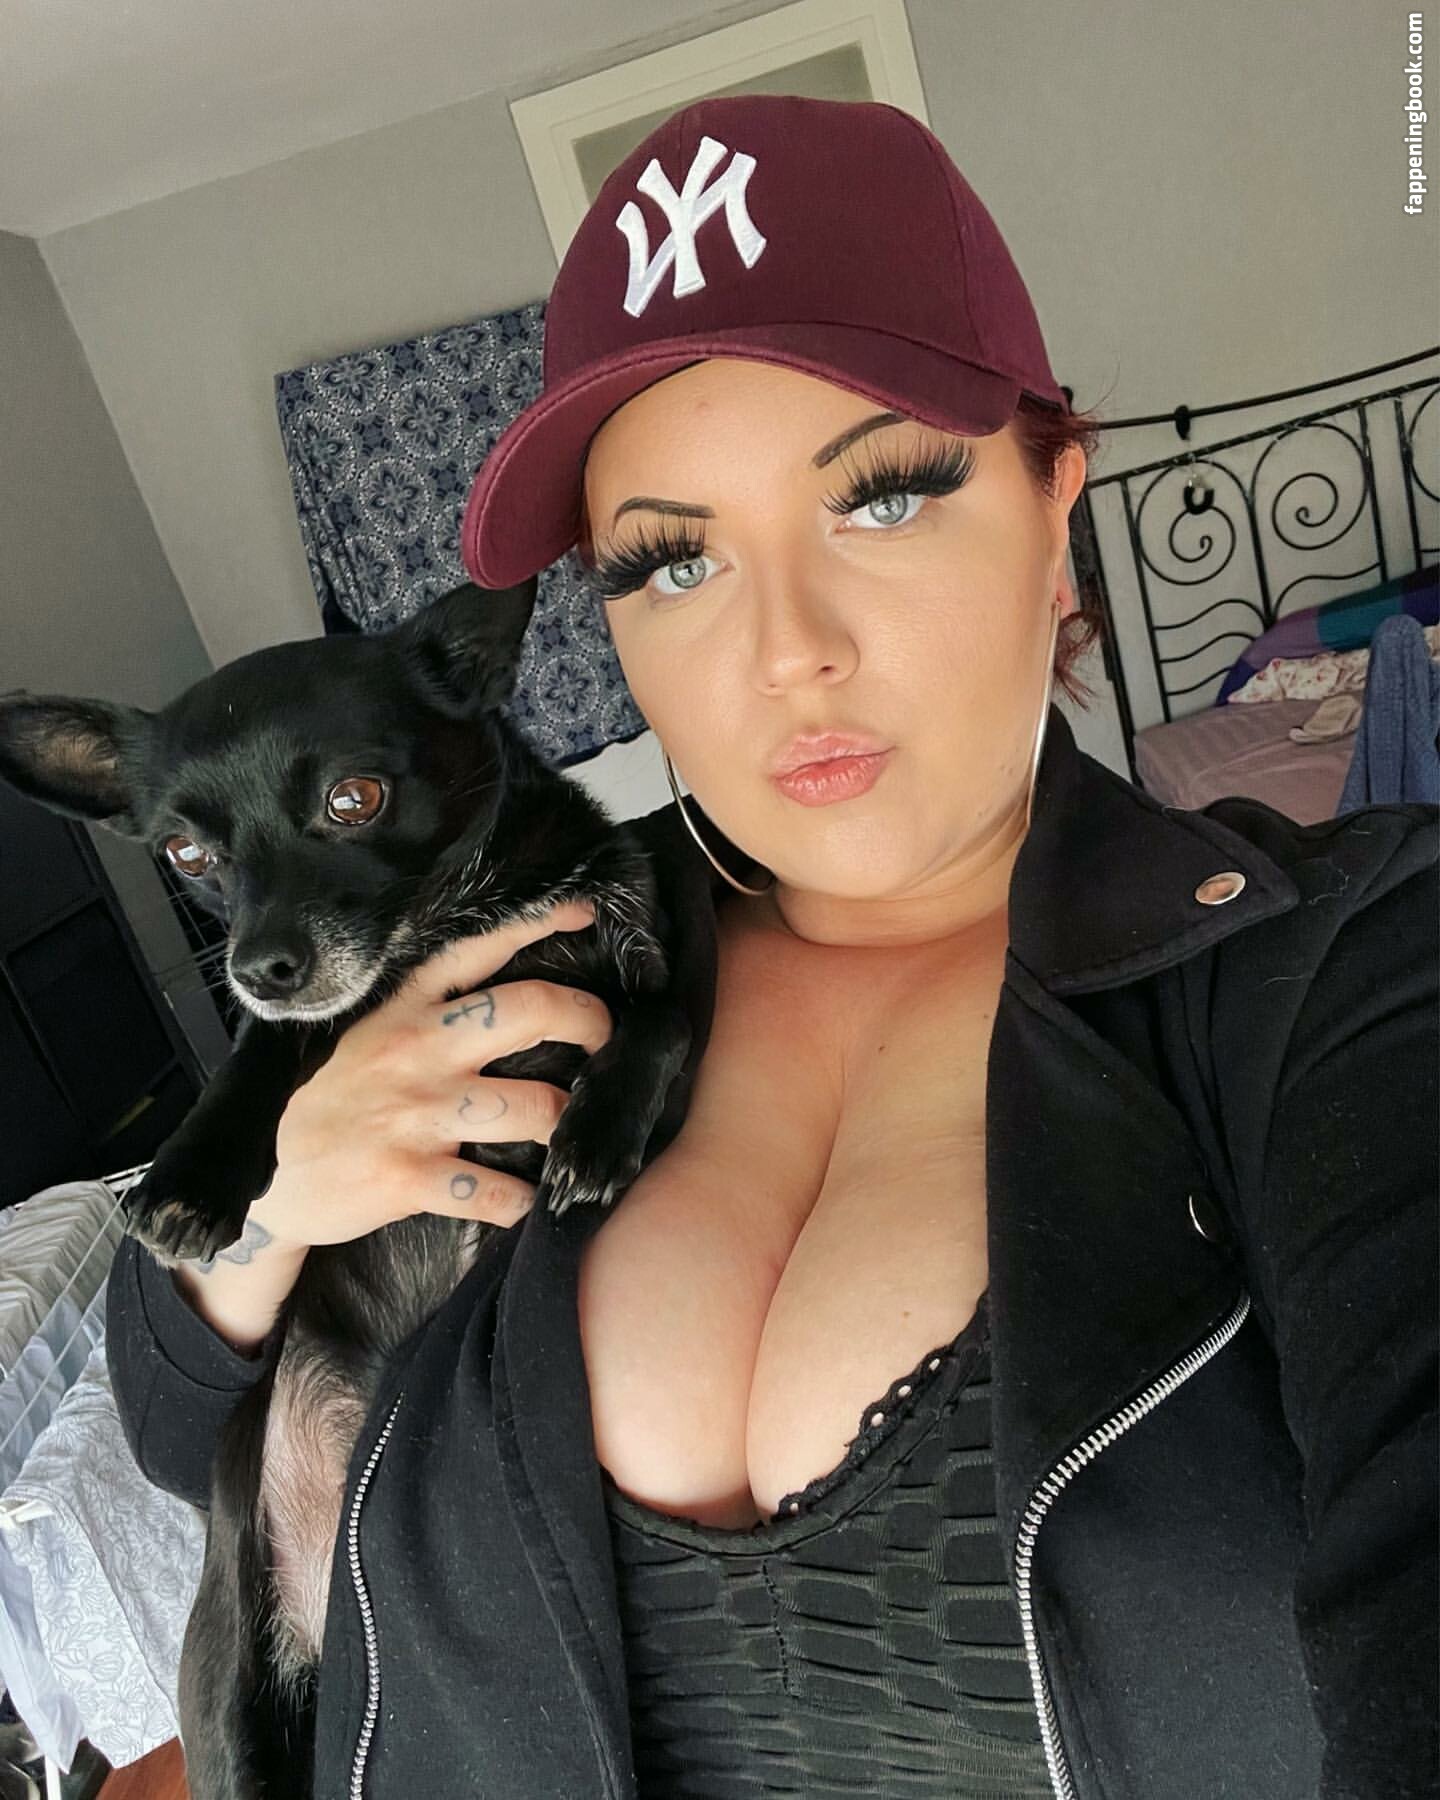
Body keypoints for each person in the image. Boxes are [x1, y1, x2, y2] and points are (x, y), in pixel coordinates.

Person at [106, 95, 1438, 1800]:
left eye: (881, 500)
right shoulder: (531, 938)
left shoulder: (1335, 959)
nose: (786, 650)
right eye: (673, 565)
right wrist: (280, 1198)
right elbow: (179, 1435)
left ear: (1056, 507)